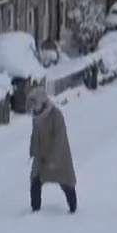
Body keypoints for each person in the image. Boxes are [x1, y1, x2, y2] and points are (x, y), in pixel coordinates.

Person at [27, 85, 77, 213]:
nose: (33, 107)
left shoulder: (56, 115)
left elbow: (60, 137)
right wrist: (33, 151)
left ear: (42, 102)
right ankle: (35, 210)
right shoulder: (36, 117)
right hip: (41, 155)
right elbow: (35, 135)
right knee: (35, 180)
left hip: (58, 155)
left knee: (66, 182)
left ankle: (73, 207)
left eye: (35, 103)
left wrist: (54, 159)